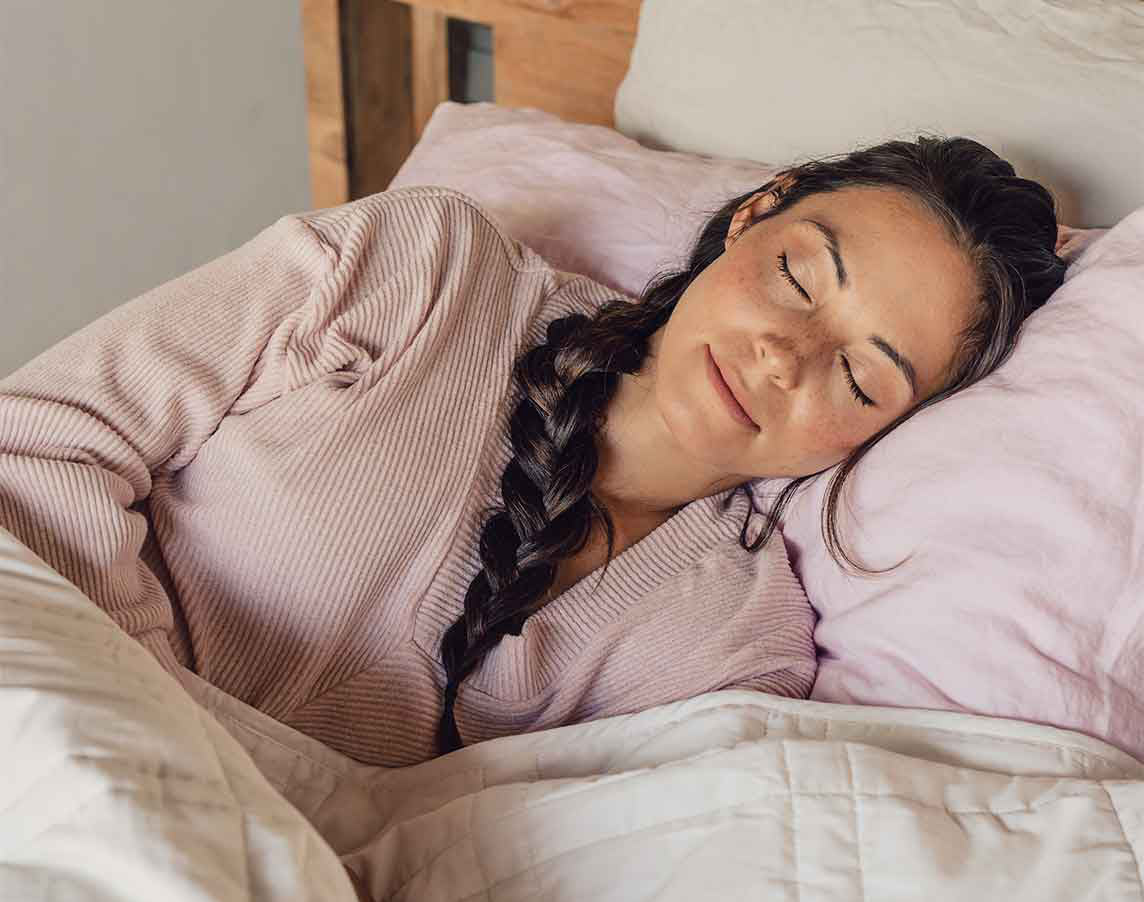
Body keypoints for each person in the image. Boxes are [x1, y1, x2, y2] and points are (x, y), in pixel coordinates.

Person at [0, 135, 1065, 771]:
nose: (786, 357)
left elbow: (516, 885)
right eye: (798, 276)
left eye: (862, 375)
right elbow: (38, 449)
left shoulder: (723, 653)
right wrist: (155, 754)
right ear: (754, 212)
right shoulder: (422, 270)